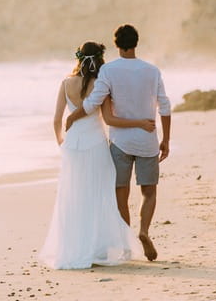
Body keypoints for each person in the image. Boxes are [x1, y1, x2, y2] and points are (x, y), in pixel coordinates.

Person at [65, 25, 172, 261]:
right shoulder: (152, 71)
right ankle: (144, 231)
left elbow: (94, 102)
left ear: (116, 44)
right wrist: (166, 139)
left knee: (120, 193)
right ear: (136, 43)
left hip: (120, 142)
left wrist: (73, 116)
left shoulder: (109, 71)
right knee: (149, 191)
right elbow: (164, 105)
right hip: (147, 141)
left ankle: (127, 244)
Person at [39, 41, 149, 269]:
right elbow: (108, 118)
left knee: (73, 196)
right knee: (100, 195)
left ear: (78, 58)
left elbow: (57, 120)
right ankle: (100, 248)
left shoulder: (66, 83)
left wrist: (62, 143)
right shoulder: (102, 83)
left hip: (73, 146)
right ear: (99, 59)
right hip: (96, 143)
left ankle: (75, 247)